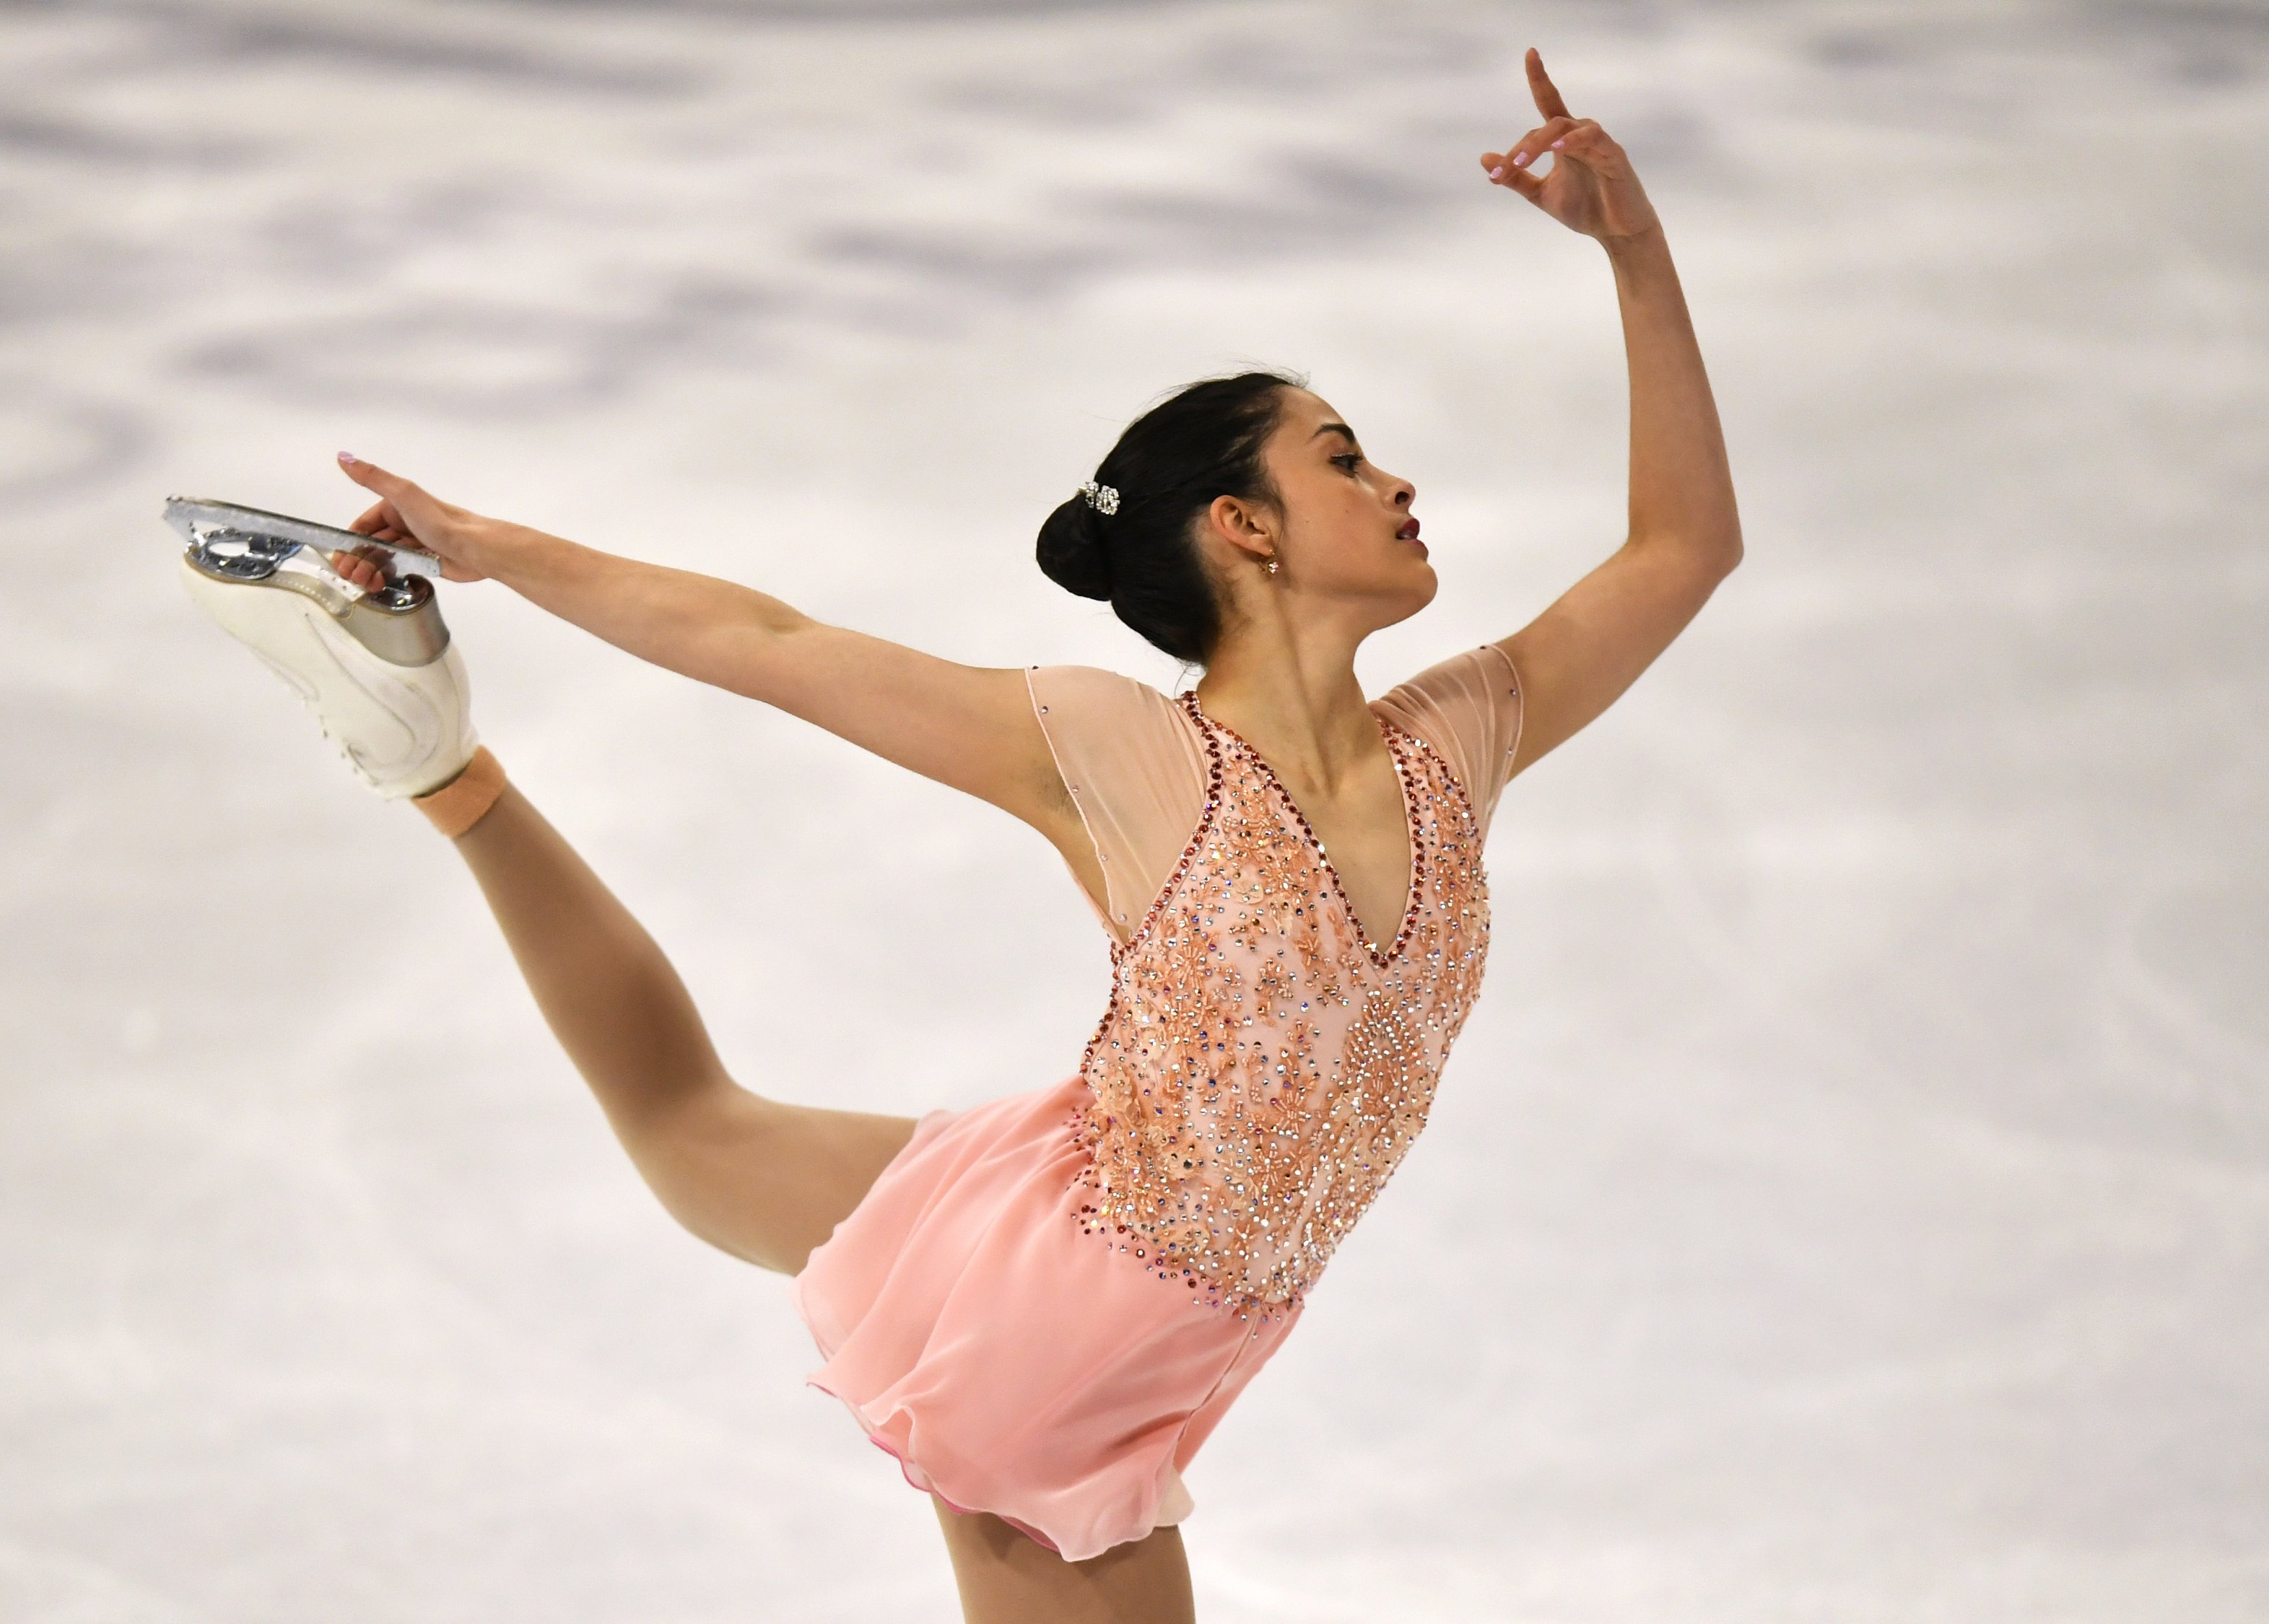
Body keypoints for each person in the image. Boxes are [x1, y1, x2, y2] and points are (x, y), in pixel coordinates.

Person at [186, 49, 1739, 1624]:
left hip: (1087, 1201)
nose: (1397, 479)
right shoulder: (1130, 753)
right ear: (1243, 527)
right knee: (687, 1136)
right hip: (1071, 1340)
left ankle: (439, 767)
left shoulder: (1457, 741)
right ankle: (444, 770)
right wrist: (497, 545)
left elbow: (1687, 547)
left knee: (691, 1133)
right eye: (1342, 456)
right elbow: (771, 640)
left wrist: (1634, 250)